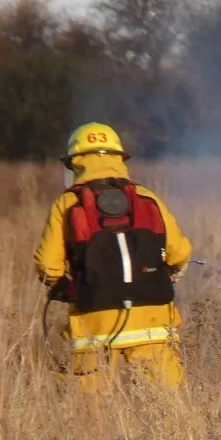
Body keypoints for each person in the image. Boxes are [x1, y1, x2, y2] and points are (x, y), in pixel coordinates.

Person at [34, 123, 193, 393]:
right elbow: (179, 252)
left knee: (86, 416)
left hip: (93, 323)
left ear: (76, 163)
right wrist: (174, 268)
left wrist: (68, 289)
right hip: (152, 321)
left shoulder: (67, 204)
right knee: (171, 409)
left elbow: (48, 266)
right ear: (119, 159)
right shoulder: (147, 197)